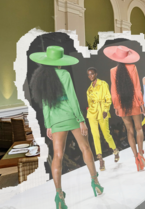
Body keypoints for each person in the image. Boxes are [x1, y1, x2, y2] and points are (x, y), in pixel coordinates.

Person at [29, 46, 103, 208]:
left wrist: (48, 124)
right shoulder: (64, 74)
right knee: (85, 148)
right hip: (71, 116)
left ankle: (59, 195)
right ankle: (95, 182)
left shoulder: (43, 78)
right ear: (60, 62)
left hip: (55, 120)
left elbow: (45, 104)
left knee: (57, 155)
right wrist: (81, 120)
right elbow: (72, 99)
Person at [105, 46, 145, 171]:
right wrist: (141, 103)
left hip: (122, 104)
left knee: (129, 131)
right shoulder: (133, 67)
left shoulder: (112, 70)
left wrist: (116, 106)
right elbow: (136, 87)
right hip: (134, 102)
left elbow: (113, 90)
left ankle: (135, 157)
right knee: (138, 128)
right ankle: (141, 153)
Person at [86, 67, 120, 172]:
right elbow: (89, 103)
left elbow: (108, 98)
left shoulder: (103, 84)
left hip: (102, 111)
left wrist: (106, 109)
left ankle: (115, 150)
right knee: (95, 136)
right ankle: (100, 159)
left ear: (96, 73)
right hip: (92, 114)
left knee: (106, 134)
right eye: (89, 74)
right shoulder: (89, 89)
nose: (90, 76)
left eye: (92, 74)